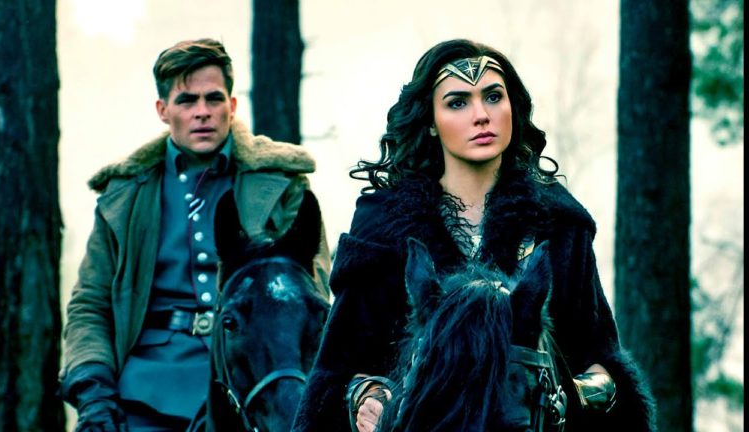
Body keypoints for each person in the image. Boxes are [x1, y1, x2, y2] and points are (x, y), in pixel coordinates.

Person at [291, 39, 656, 432]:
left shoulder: (559, 222)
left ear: (513, 108)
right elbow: (337, 367)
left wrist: (579, 391)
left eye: (493, 97)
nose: (481, 116)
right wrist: (367, 396)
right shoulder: (381, 228)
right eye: (458, 102)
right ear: (430, 122)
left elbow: (601, 357)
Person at [58, 38, 331, 431]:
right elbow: (91, 305)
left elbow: (311, 294)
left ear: (231, 105)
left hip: (255, 386)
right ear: (163, 110)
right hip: (142, 393)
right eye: (187, 101)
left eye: (213, 98)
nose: (202, 111)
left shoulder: (281, 184)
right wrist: (94, 392)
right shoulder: (125, 196)